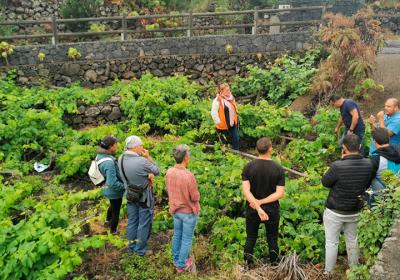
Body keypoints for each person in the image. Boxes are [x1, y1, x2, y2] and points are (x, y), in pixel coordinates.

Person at [321, 134, 374, 274]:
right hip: (355, 209)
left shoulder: (337, 165)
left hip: (335, 210)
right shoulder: (369, 164)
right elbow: (367, 184)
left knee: (332, 243)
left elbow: (325, 182)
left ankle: (329, 273)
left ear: (344, 148)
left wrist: (341, 160)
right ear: (360, 147)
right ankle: (355, 270)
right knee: (352, 240)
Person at [241, 137, 285, 266]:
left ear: (257, 149)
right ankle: (275, 265)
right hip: (272, 208)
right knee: (272, 238)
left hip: (252, 207)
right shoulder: (278, 168)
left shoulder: (248, 167)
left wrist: (257, 204)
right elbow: (279, 193)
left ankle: (248, 264)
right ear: (270, 149)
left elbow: (246, 191)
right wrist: (262, 203)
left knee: (251, 237)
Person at [118, 135, 160, 256]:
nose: (142, 147)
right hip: (144, 197)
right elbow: (156, 170)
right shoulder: (141, 161)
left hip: (130, 194)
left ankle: (131, 247)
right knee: (144, 223)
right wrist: (147, 156)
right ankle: (140, 250)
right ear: (135, 147)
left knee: (132, 221)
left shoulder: (120, 159)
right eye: (141, 145)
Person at [165, 144, 200, 273]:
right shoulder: (188, 175)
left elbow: (167, 189)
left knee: (177, 235)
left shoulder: (169, 171)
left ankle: (175, 258)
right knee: (186, 239)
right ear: (186, 158)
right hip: (188, 212)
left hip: (175, 211)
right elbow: (195, 197)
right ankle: (181, 265)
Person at [96, 135, 125, 234]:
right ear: (111, 146)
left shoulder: (100, 156)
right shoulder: (109, 162)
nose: (117, 145)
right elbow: (112, 183)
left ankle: (107, 221)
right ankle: (113, 231)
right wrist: (125, 187)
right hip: (113, 191)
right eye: (115, 144)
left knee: (112, 205)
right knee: (116, 210)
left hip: (105, 187)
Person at [367, 128, 400, 205]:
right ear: (388, 139)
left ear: (374, 141)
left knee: (371, 178)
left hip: (384, 193)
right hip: (398, 188)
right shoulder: (398, 150)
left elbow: (368, 179)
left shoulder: (376, 159)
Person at [211, 83, 240, 150]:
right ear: (221, 91)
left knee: (236, 139)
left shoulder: (231, 97)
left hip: (232, 123)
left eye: (229, 90)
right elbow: (213, 113)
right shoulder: (217, 101)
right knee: (223, 143)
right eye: (227, 90)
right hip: (222, 126)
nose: (229, 91)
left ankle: (236, 155)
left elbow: (234, 107)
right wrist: (219, 122)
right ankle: (225, 157)